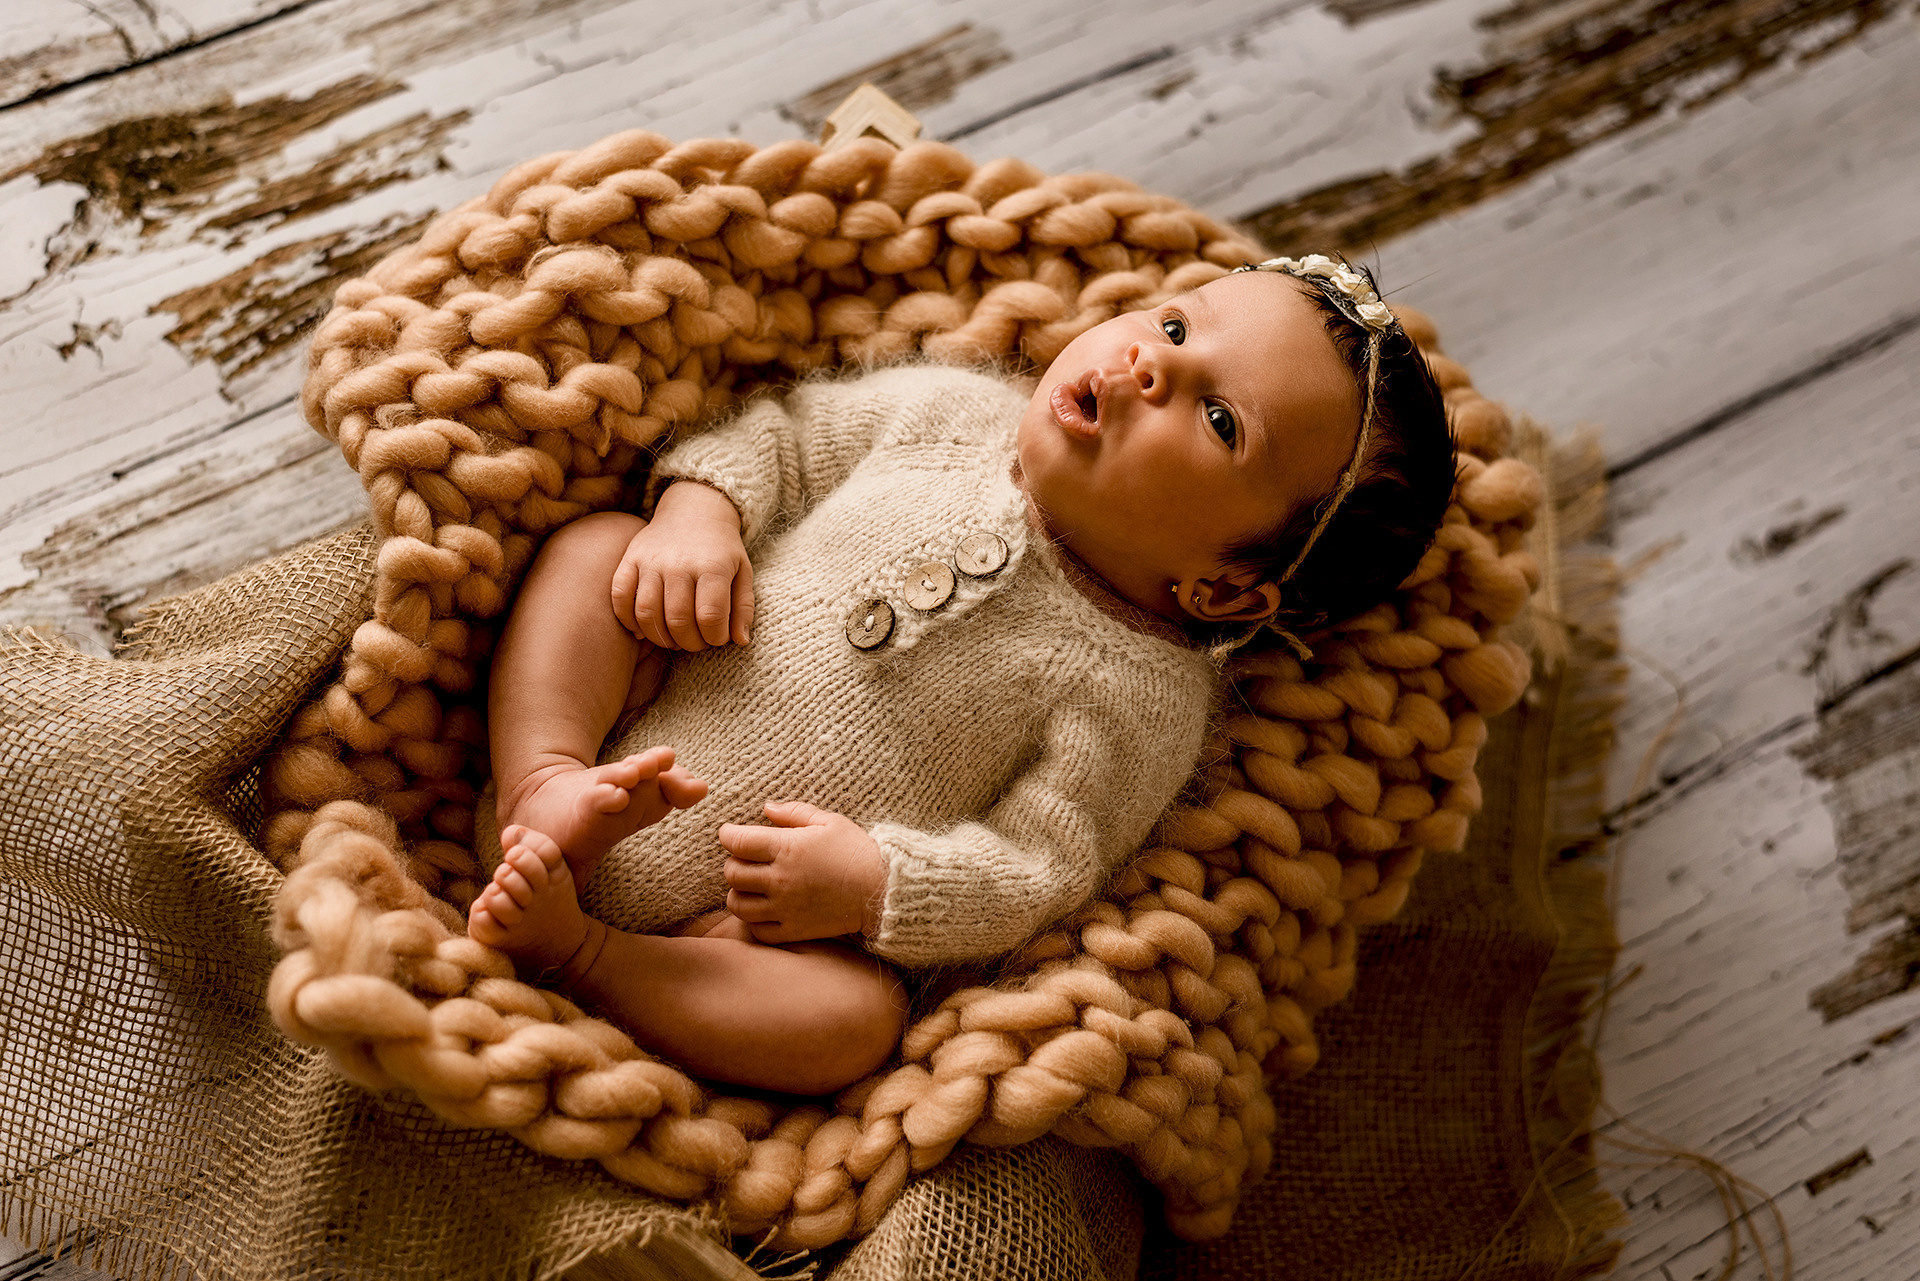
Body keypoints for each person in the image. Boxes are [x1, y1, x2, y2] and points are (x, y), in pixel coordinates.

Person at [465, 255, 1454, 1094]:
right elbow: (783, 437)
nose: (1153, 365)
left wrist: (874, 885)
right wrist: (700, 517)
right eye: (1174, 323)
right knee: (602, 550)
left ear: (1225, 593)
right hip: (634, 705)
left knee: (853, 1024)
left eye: (1222, 421)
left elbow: (1040, 862)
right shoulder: (947, 411)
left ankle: (587, 955)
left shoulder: (1142, 697)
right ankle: (541, 778)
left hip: (729, 932)